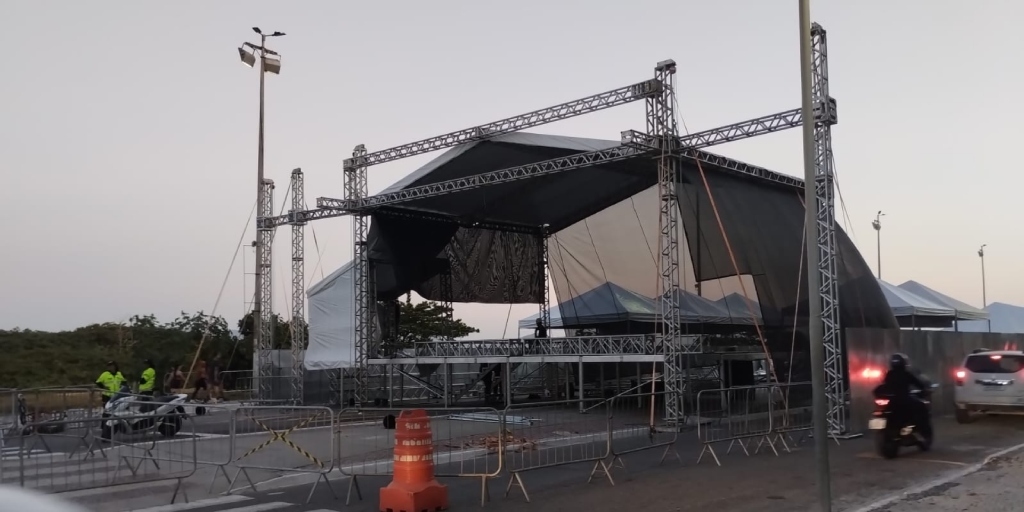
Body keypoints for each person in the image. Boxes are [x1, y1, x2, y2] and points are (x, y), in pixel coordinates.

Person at [878, 353, 931, 430]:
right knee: (921, 406)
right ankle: (922, 429)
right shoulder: (906, 374)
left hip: (893, 402)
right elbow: (918, 383)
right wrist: (924, 389)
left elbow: (885, 385)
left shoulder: (889, 374)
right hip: (905, 400)